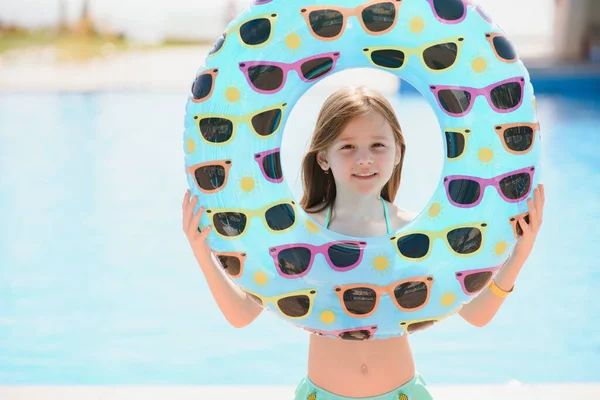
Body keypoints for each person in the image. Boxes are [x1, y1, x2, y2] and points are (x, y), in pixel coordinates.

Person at [182, 86, 545, 399]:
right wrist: (202, 252)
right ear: (323, 156)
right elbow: (243, 313)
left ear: (398, 152)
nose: (365, 158)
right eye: (348, 147)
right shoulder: (298, 234)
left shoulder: (414, 233)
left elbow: (474, 313)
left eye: (377, 145)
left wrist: (520, 255)